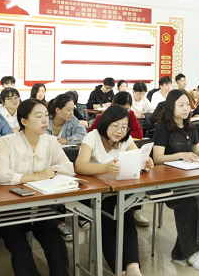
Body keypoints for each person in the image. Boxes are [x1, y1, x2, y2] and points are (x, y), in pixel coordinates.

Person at [0, 99, 72, 276]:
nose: (44, 120)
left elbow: (68, 167)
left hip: (40, 206)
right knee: (19, 245)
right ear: (24, 121)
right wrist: (34, 177)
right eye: (38, 116)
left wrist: (50, 171)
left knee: (54, 240)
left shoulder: (50, 141)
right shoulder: (7, 141)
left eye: (46, 115)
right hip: (10, 208)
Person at [75, 105, 153, 276]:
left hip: (117, 191)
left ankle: (132, 268)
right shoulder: (92, 137)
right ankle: (120, 269)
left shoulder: (125, 139)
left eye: (124, 127)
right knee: (108, 220)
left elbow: (137, 157)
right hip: (94, 193)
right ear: (105, 123)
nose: (120, 131)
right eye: (115, 126)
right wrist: (105, 168)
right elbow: (79, 166)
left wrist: (145, 162)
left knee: (126, 218)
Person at [152, 89, 199, 271]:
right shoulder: (162, 128)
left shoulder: (191, 126)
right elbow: (157, 158)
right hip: (166, 182)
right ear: (171, 107)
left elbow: (196, 149)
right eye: (181, 105)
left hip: (187, 178)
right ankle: (191, 251)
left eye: (187, 105)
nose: (186, 109)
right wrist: (180, 155)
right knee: (193, 201)